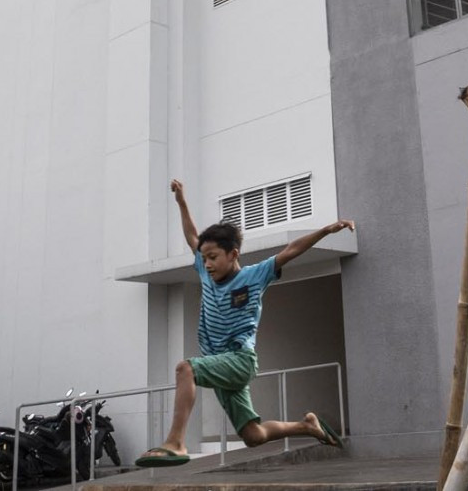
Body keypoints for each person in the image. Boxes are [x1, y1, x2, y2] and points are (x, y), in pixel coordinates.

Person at [135, 179, 351, 468]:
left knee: (185, 369)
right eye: (204, 258)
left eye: (213, 257)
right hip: (221, 363)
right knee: (253, 435)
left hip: (239, 360)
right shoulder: (204, 270)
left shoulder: (255, 275)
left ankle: (175, 442)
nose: (207, 264)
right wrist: (181, 201)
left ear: (233, 254)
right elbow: (191, 236)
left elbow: (291, 250)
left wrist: (325, 230)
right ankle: (308, 426)